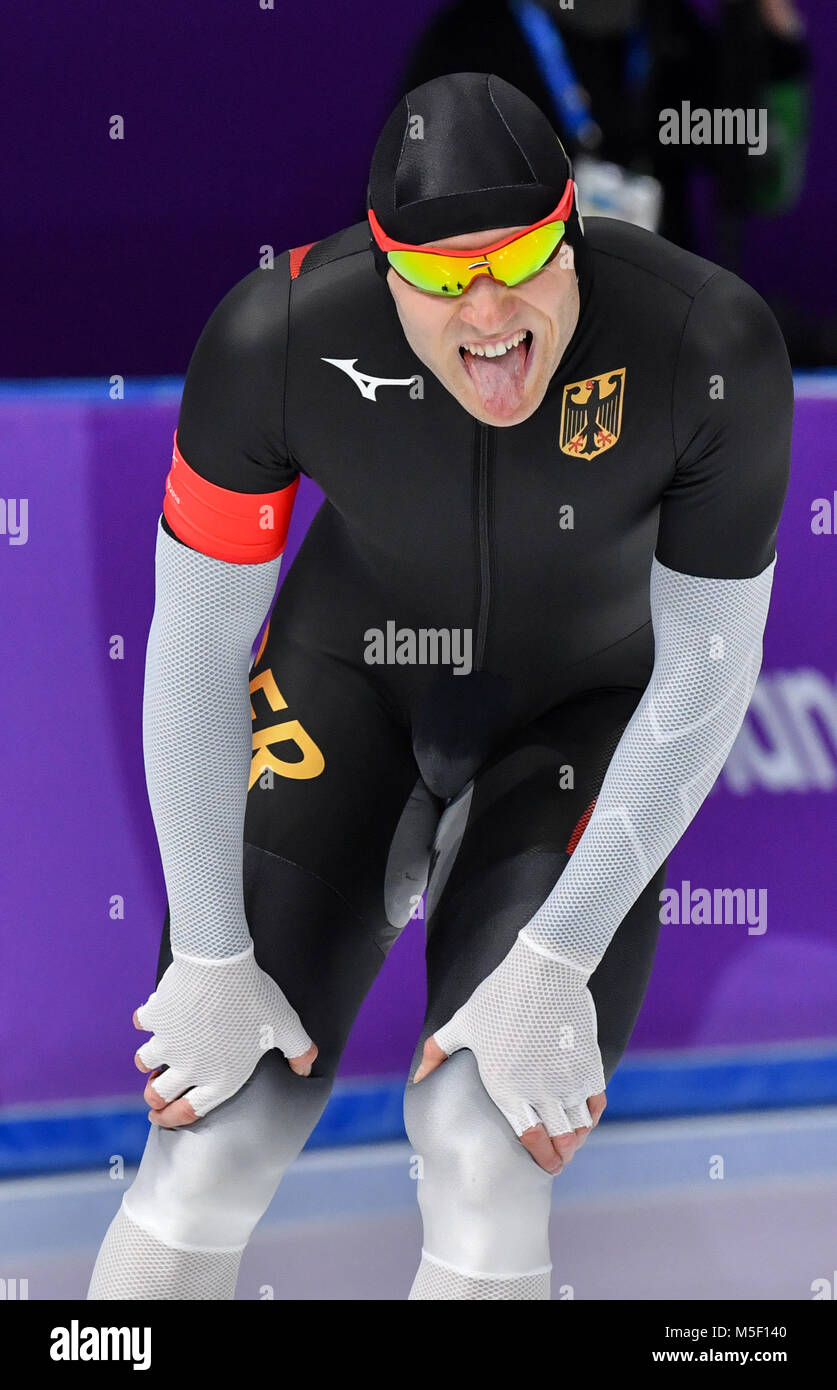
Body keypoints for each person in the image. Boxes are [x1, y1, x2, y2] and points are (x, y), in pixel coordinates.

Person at [88, 71, 791, 1302]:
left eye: (521, 257)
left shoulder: (708, 342)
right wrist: (205, 956)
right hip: (349, 691)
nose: (490, 313)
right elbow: (196, 649)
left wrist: (559, 955)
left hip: (573, 728)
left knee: (483, 1144)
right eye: (440, 276)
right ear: (382, 266)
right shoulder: (278, 337)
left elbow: (704, 676)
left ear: (575, 230)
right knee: (211, 1140)